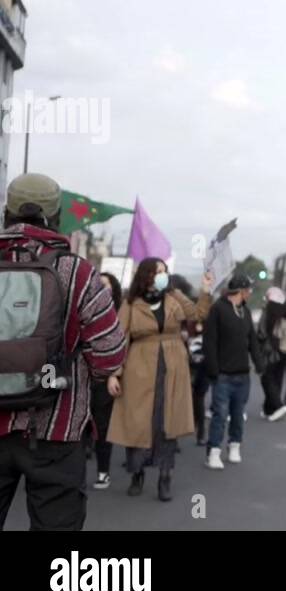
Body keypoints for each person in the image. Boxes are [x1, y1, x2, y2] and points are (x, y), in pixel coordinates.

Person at [0, 173, 127, 530]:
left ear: (7, 211)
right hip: (55, 432)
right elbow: (110, 357)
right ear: (55, 216)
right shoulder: (79, 273)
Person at [107, 258, 213, 502]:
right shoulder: (131, 303)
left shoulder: (174, 296)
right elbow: (119, 340)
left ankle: (166, 476)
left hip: (173, 365)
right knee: (138, 421)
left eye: (165, 271)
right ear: (146, 276)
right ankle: (137, 473)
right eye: (157, 272)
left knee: (167, 423)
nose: (163, 275)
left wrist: (205, 290)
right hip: (139, 367)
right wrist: (114, 373)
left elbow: (198, 314)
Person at [202, 273, 264, 469]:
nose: (250, 293)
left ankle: (234, 445)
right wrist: (213, 370)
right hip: (222, 375)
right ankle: (214, 451)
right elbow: (209, 341)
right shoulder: (218, 310)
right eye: (248, 290)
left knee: (238, 414)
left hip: (242, 374)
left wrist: (259, 364)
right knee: (220, 414)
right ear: (240, 291)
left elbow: (252, 341)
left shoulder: (245, 313)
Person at [90, 272, 124, 490]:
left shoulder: (119, 314)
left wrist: (114, 374)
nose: (101, 288)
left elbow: (120, 347)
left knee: (102, 427)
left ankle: (103, 472)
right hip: (83, 376)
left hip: (105, 377)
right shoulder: (84, 309)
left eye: (106, 285)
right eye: (97, 284)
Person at [257, 287, 286, 422]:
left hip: (269, 352)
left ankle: (278, 406)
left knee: (266, 378)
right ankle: (268, 409)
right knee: (277, 378)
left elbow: (260, 333)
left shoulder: (267, 312)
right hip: (284, 351)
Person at [185, 319, 210, 446]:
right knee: (182, 401)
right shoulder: (185, 323)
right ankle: (173, 438)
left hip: (203, 367)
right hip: (188, 366)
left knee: (199, 399)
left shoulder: (210, 322)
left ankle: (200, 434)